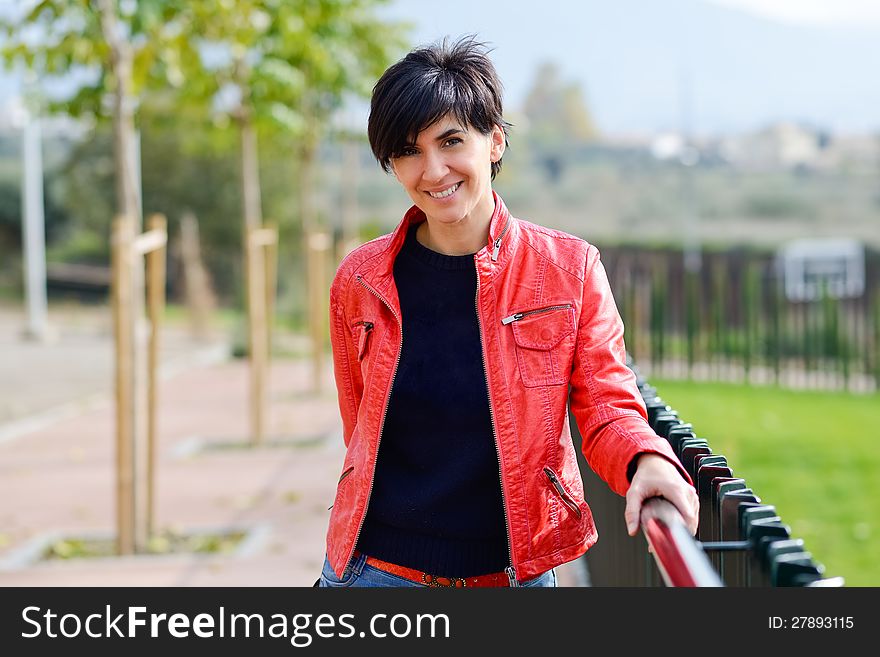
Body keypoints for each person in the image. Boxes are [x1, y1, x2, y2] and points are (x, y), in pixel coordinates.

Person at [318, 36, 698, 588]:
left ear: (494, 141)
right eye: (408, 151)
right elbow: (360, 427)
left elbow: (607, 402)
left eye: (451, 141)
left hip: (511, 579)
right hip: (373, 572)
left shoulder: (569, 269)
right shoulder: (361, 279)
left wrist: (649, 460)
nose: (433, 170)